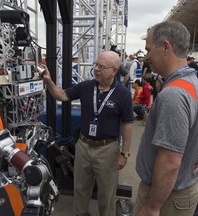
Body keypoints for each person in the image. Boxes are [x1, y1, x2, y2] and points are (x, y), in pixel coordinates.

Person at [41, 51, 133, 216]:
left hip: (108, 149)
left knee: (107, 193)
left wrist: (124, 153)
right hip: (83, 146)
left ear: (114, 70)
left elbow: (127, 124)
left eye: (101, 66)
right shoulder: (86, 86)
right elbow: (61, 95)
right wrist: (48, 82)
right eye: (96, 65)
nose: (96, 69)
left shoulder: (123, 93)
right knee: (81, 189)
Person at [133, 20, 198, 216]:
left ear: (165, 47)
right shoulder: (194, 84)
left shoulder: (173, 94)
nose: (146, 57)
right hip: (185, 187)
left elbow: (170, 162)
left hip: (166, 198)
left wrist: (152, 207)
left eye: (149, 49)